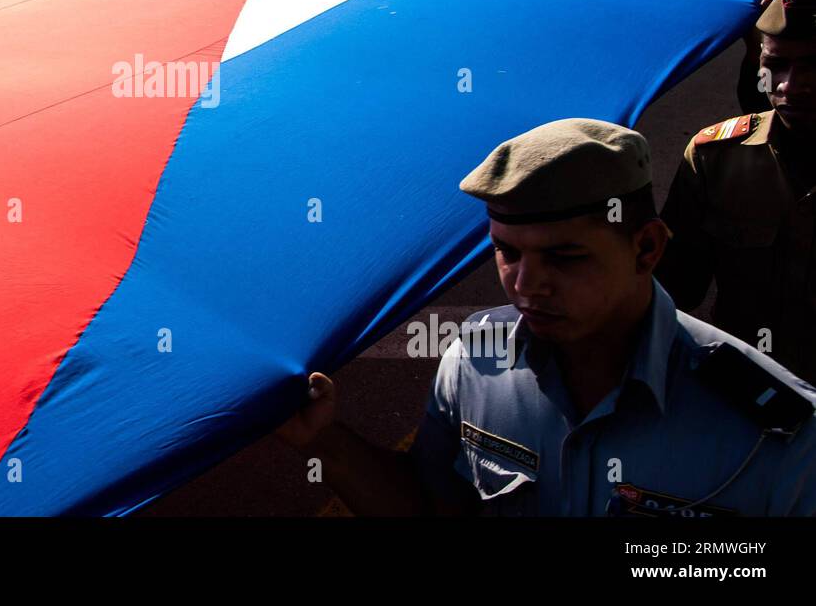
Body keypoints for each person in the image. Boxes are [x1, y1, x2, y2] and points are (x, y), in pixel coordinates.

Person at [279, 119, 816, 515]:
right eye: (507, 251)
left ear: (647, 247)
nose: (525, 284)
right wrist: (323, 441)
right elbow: (430, 506)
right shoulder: (475, 360)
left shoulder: (779, 432)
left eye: (565, 257)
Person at [658, 0, 816, 384]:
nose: (791, 86)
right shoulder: (716, 158)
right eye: (775, 65)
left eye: (814, 66)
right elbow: (670, 293)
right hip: (746, 409)